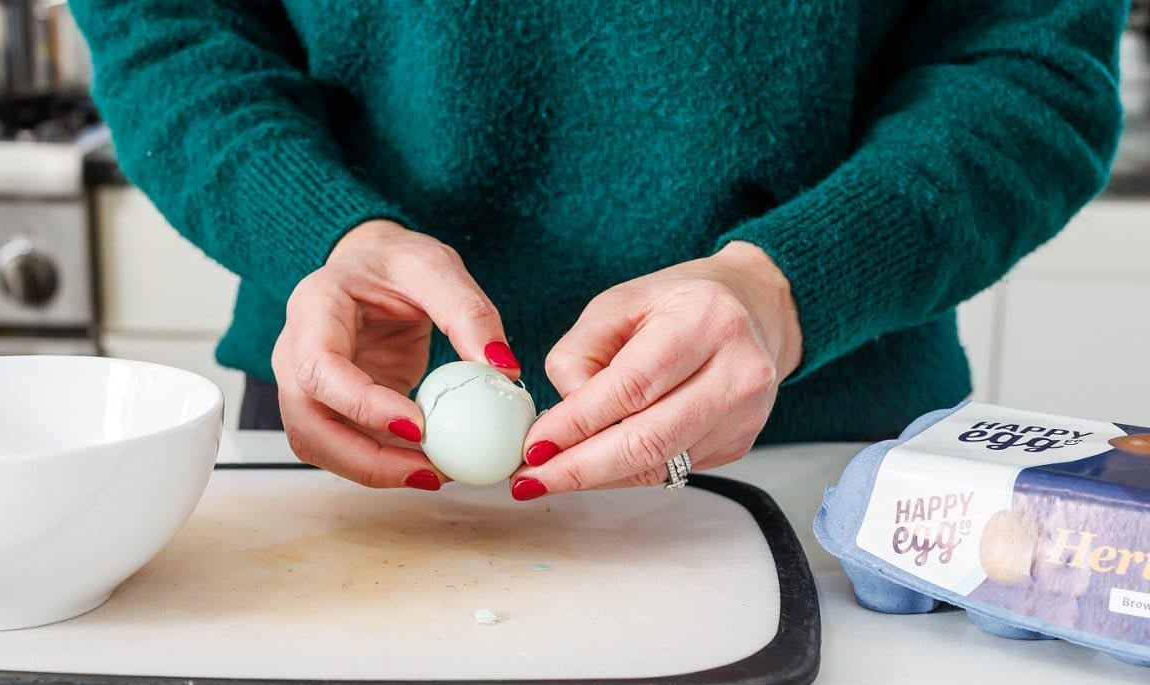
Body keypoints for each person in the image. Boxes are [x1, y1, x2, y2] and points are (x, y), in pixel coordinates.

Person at [71, 1, 1127, 501]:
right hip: (348, 431)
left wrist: (793, 281)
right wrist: (317, 231)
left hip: (820, 458)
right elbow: (168, 32)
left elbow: (1028, 62)